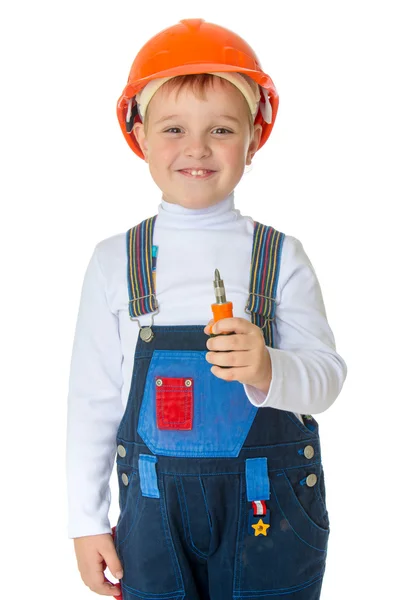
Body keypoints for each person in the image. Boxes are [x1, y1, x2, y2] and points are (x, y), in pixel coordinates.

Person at [66, 18, 347, 600]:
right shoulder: (114, 261)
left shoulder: (280, 256)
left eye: (221, 128)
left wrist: (269, 368)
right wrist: (86, 520)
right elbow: (92, 401)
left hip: (268, 511)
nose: (196, 148)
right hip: (151, 515)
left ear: (254, 138)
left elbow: (326, 380)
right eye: (174, 128)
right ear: (139, 136)